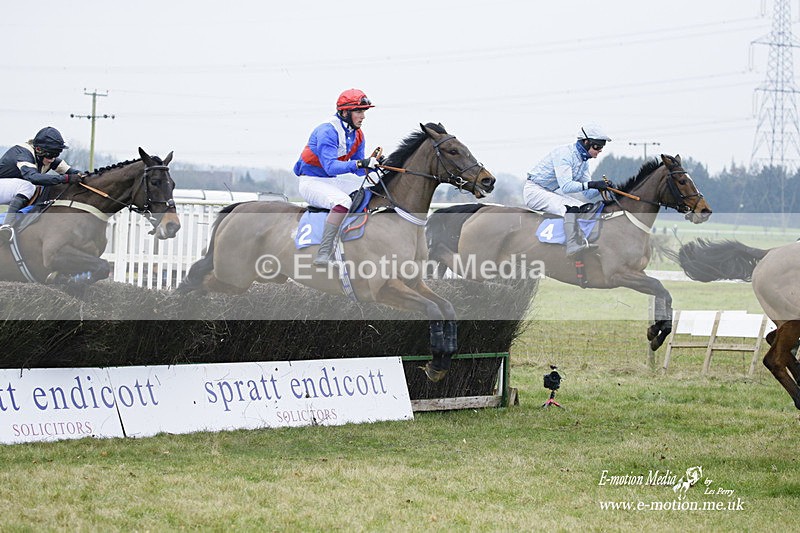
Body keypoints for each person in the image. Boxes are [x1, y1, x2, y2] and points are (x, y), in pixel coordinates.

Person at [293, 88, 380, 266]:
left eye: (363, 111)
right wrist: (360, 164)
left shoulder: (358, 134)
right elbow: (331, 167)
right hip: (311, 181)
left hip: (332, 181)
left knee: (369, 193)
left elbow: (357, 169)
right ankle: (324, 252)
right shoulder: (327, 131)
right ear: (345, 112)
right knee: (342, 202)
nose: (363, 116)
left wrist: (374, 167)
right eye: (358, 111)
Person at [523, 124, 612, 256]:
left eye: (601, 148)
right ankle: (572, 244)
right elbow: (566, 187)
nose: (599, 151)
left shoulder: (583, 161)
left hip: (547, 192)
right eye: (597, 147)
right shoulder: (564, 154)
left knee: (584, 207)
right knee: (570, 208)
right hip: (534, 191)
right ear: (586, 142)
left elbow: (588, 194)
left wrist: (603, 188)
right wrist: (593, 184)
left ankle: (582, 241)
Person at [0, 126, 84, 240]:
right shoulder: (23, 153)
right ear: (38, 149)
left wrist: (86, 177)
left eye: (56, 155)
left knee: (43, 189)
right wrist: (66, 179)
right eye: (50, 155)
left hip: (10, 190)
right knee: (28, 186)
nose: (52, 159)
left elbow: (73, 173)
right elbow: (33, 177)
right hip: (5, 186)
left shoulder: (47, 157)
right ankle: (7, 226)